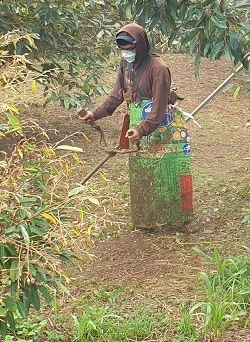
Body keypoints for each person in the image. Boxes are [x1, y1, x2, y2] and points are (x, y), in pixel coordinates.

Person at [79, 23, 193, 228]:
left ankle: (176, 219)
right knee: (143, 171)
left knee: (169, 170)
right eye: (122, 49)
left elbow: (158, 110)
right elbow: (116, 96)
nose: (126, 53)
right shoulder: (126, 65)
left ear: (140, 46)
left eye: (130, 49)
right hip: (138, 124)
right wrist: (94, 114)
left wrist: (141, 129)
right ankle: (147, 219)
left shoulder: (159, 69)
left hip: (163, 126)